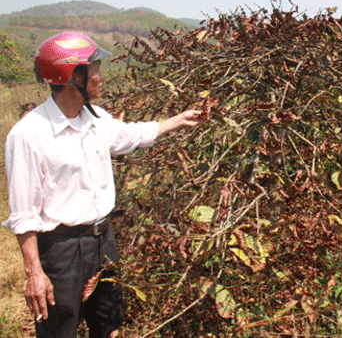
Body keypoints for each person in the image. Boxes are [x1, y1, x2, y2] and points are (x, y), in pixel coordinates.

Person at [3, 31, 202, 338]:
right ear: (73, 74)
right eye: (94, 67)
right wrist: (34, 273)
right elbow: (23, 214)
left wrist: (180, 120)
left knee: (109, 325)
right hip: (62, 251)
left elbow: (131, 136)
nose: (101, 75)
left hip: (103, 241)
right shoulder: (29, 135)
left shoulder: (95, 120)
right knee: (60, 330)